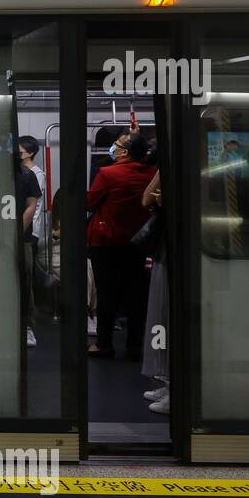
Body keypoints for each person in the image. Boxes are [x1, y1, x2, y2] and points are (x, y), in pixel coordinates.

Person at [85, 129, 154, 359]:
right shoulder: (151, 173)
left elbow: (90, 202)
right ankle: (135, 346)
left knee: (107, 294)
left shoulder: (107, 174)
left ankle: (104, 344)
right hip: (139, 243)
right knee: (137, 297)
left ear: (123, 152)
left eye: (116, 145)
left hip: (107, 241)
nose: (112, 147)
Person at [140, 168, 170, 414]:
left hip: (176, 248)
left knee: (169, 316)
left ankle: (175, 387)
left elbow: (146, 198)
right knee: (161, 314)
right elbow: (148, 197)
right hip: (164, 248)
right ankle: (167, 380)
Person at [16, 150, 42, 348]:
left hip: (22, 237)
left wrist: (16, 233)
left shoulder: (27, 175)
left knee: (24, 278)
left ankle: (27, 327)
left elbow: (31, 206)